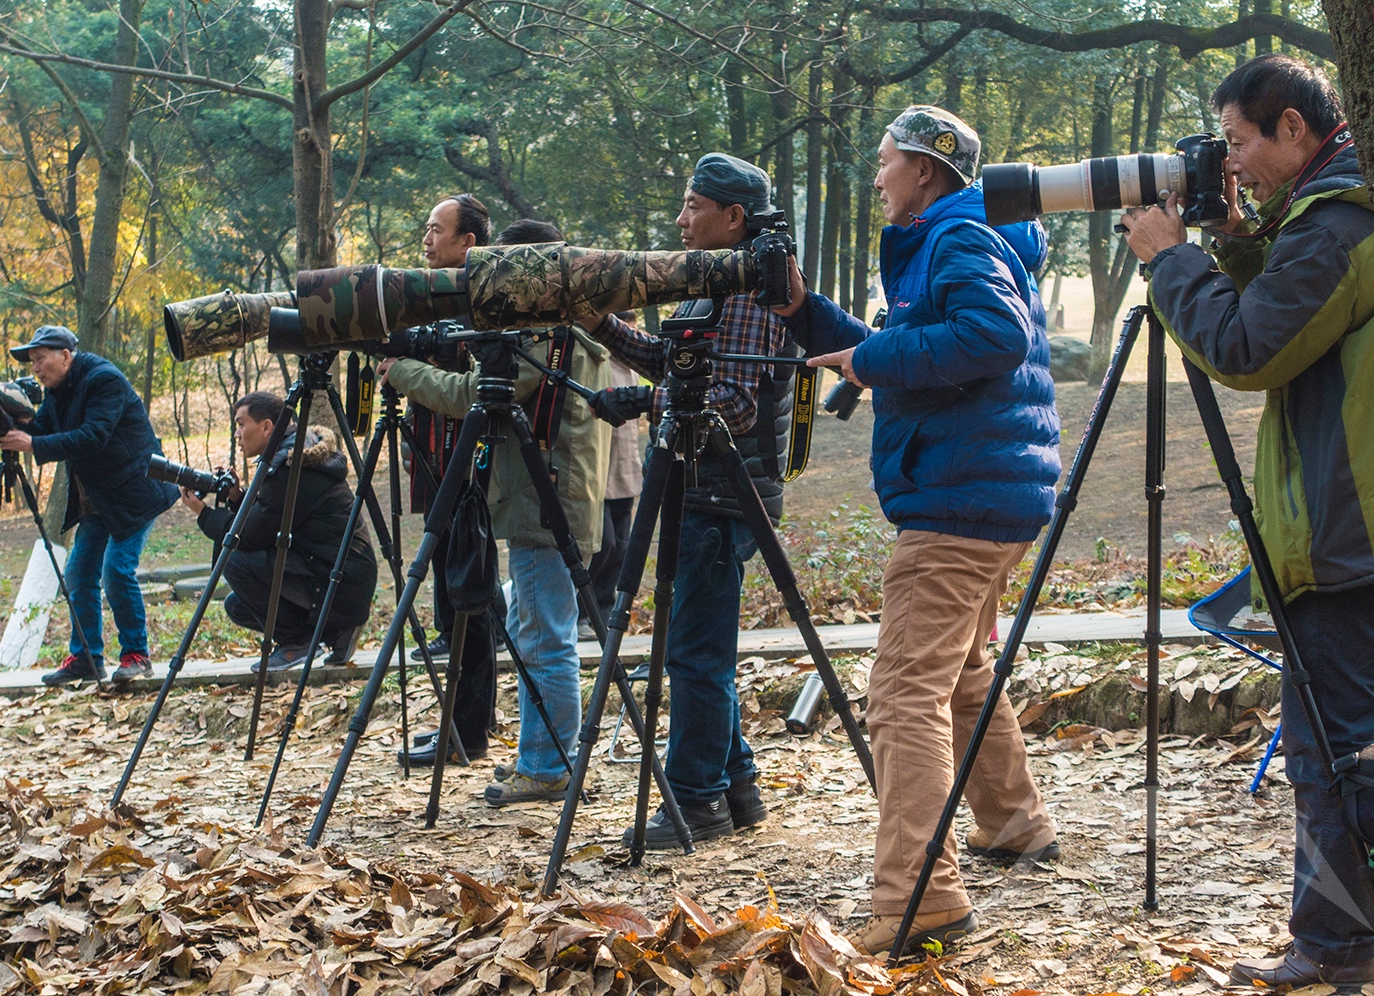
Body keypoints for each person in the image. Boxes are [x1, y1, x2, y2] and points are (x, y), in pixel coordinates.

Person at [773, 106, 1061, 954]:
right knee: (962, 670)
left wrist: (871, 361)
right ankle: (1015, 823)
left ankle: (919, 901)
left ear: (925, 172)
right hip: (991, 491)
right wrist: (804, 311)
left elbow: (990, 336)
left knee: (902, 693)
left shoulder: (957, 238)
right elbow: (903, 346)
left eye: (887, 160)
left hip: (960, 502)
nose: (877, 174)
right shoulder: (957, 236)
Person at [1121, 55, 1374, 987]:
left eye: (1239, 143)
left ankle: (1338, 947)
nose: (1232, 166)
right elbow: (1286, 311)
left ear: (1294, 131)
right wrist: (1229, 244)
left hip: (1347, 542)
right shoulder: (1329, 222)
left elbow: (1247, 345)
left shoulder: (1338, 227)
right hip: (1353, 533)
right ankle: (1338, 939)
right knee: (1341, 748)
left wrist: (1172, 261)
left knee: (1335, 754)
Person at [583, 153, 795, 848]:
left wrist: (647, 401)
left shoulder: (749, 293)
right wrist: (601, 323)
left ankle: (696, 801)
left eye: (693, 207)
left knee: (696, 658)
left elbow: (728, 403)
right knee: (698, 649)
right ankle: (736, 787)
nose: (680, 221)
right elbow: (679, 361)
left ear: (733, 217)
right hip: (702, 491)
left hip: (720, 494)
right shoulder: (714, 284)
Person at [381, 218, 611, 804]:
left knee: (544, 638)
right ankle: (542, 753)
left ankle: (549, 765)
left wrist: (404, 373)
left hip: (547, 503)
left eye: (502, 270)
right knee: (532, 627)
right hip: (547, 501)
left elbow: (473, 395)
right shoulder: (556, 330)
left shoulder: (543, 337)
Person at [0, 325, 177, 686]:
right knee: (79, 575)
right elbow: (43, 428)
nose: (35, 367)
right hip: (96, 499)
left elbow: (93, 436)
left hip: (134, 494)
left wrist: (31, 444)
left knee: (116, 571)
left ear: (65, 356)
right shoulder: (57, 390)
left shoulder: (103, 380)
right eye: (32, 361)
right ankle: (85, 659)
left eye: (40, 359)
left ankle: (136, 655)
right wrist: (1, 419)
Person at [396, 192, 500, 765]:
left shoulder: (484, 303)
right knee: (461, 594)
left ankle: (467, 730)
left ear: (470, 242)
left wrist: (408, 370)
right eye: (426, 228)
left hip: (468, 465)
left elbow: (468, 392)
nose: (427, 240)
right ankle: (470, 721)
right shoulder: (429, 299)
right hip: (437, 461)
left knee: (467, 595)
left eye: (438, 230)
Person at [180, 392, 377, 671]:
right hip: (343, 574)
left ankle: (296, 643)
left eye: (240, 424)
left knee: (235, 562)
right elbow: (271, 519)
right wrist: (237, 497)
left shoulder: (292, 464)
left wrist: (204, 514)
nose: (237, 434)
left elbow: (248, 537)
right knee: (238, 606)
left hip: (339, 580)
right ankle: (335, 633)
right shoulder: (298, 451)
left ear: (266, 426)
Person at [579, 311, 646, 639]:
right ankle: (583, 610)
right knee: (600, 544)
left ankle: (602, 614)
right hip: (597, 471)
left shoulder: (629, 366)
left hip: (624, 467)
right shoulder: (596, 360)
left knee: (621, 546)